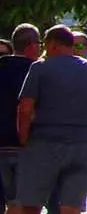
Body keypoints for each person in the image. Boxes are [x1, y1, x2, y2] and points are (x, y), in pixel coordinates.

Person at [13, 24, 87, 214]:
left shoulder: (40, 68)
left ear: (52, 44)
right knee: (71, 207)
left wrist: (24, 138)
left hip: (43, 143)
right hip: (82, 144)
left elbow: (25, 108)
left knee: (31, 205)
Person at [0, 24, 42, 210]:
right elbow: (28, 109)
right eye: (39, 43)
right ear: (31, 45)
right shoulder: (36, 71)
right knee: (26, 203)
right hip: (27, 145)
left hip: (2, 145)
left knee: (12, 202)